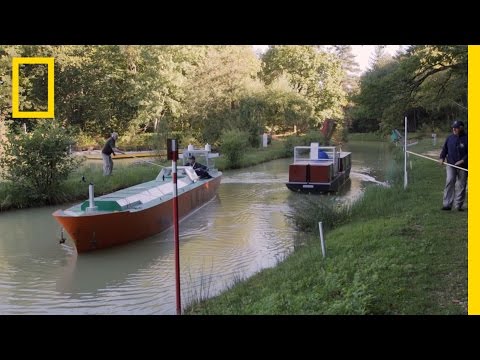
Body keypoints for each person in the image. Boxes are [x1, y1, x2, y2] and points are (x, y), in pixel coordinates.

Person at [439, 120, 468, 211]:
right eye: (453, 127)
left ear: (461, 128)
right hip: (451, 164)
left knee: (461, 185)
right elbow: (445, 149)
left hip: (463, 166)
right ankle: (447, 204)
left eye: (456, 127)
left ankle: (458, 205)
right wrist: (442, 157)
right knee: (450, 181)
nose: (454, 129)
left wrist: (463, 160)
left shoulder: (468, 138)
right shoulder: (449, 138)